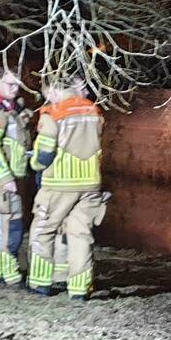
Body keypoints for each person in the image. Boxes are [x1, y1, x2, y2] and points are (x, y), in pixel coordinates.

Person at [27, 75, 106, 300]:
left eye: (47, 94)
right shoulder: (94, 111)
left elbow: (44, 154)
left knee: (43, 230)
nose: (47, 99)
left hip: (59, 184)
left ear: (54, 90)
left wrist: (34, 164)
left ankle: (40, 282)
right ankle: (79, 289)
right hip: (90, 183)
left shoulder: (53, 113)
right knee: (80, 234)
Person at [0, 69, 30, 288]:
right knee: (7, 226)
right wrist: (4, 177)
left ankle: (3, 271)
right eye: (10, 84)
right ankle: (7, 273)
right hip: (2, 182)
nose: (15, 89)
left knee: (11, 223)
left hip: (14, 179)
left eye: (17, 85)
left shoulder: (12, 107)